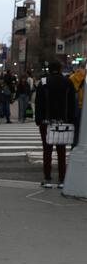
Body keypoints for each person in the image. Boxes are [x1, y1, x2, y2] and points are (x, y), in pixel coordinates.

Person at [35, 60, 75, 189]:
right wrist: (71, 119)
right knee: (61, 152)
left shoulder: (44, 82)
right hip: (63, 121)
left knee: (47, 151)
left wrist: (39, 119)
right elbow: (71, 103)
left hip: (46, 122)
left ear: (49, 69)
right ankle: (62, 179)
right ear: (60, 68)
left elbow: (38, 102)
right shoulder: (67, 82)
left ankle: (47, 179)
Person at [69, 62, 85, 148]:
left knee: (75, 131)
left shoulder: (71, 78)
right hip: (84, 108)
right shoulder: (85, 79)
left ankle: (74, 148)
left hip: (75, 108)